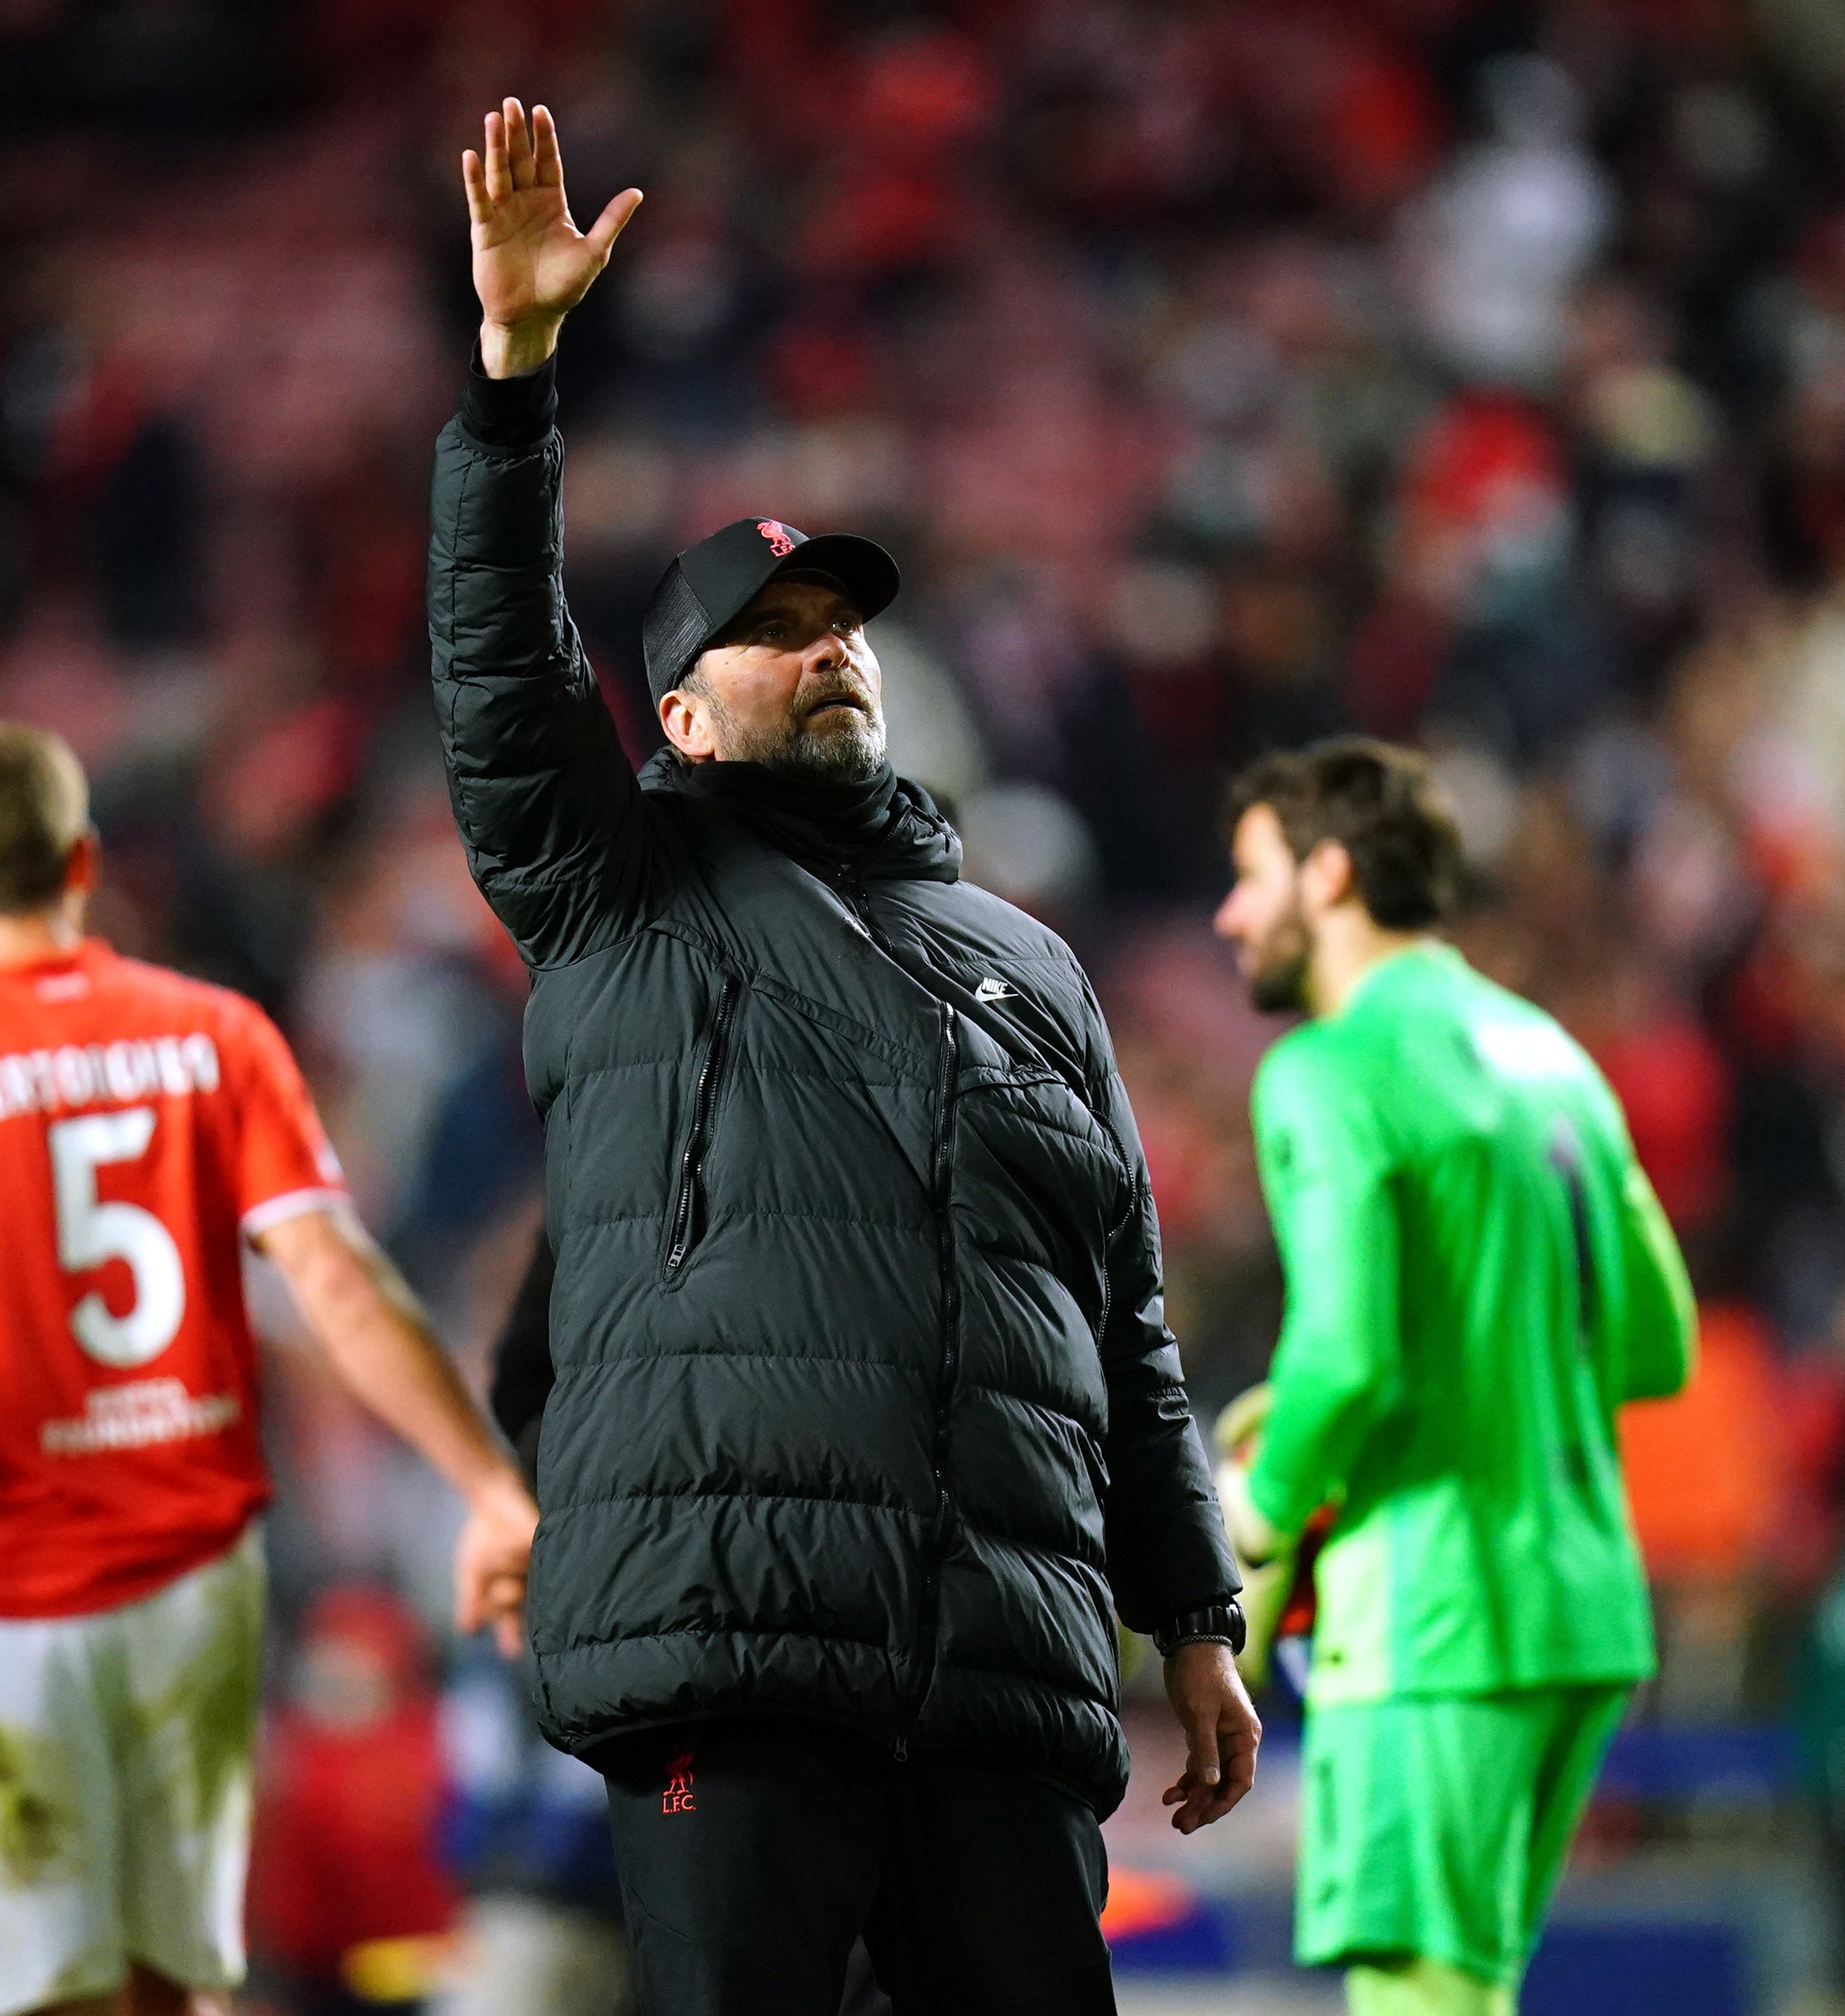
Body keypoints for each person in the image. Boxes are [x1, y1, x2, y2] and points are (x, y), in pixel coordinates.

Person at [432, 98, 1258, 2015]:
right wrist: (515, 384)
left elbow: (1123, 1321)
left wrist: (1196, 1617)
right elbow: (492, 666)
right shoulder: (616, 883)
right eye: (775, 630)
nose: (831, 651)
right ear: (680, 716)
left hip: (1000, 1669)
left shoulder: (1029, 963)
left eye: (845, 627)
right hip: (733, 1646)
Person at [0, 722, 540, 2016]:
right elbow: (336, 1282)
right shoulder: (215, 1034)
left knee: (36, 1994)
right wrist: (488, 1484)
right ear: (82, 862)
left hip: (6, 1587)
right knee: (174, 1989)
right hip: (193, 1583)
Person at [1211, 738, 1696, 2016]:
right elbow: (1655, 1345)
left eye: (1251, 875)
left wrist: (1251, 1518)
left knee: (1420, 2002)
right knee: (1470, 1993)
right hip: (1584, 1610)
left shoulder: (1326, 1067)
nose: (1229, 913)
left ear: (1326, 874)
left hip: (1431, 1618)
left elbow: (1347, 1356)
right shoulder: (1553, 1055)